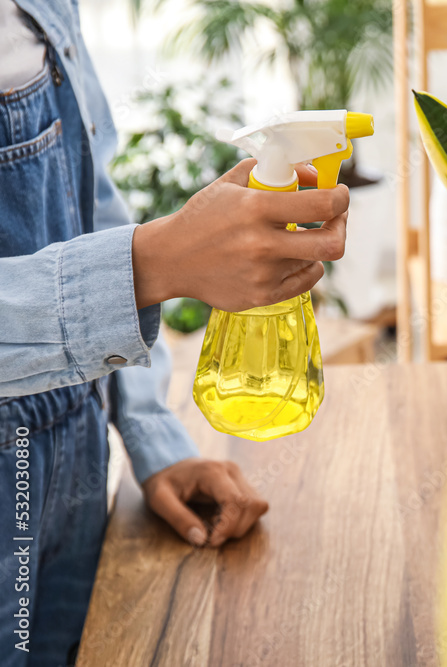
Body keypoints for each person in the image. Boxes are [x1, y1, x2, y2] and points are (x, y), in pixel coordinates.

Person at [0, 2, 352, 664]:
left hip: (75, 485)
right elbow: (129, 258)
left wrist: (154, 438)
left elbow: (91, 202)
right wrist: (152, 263)